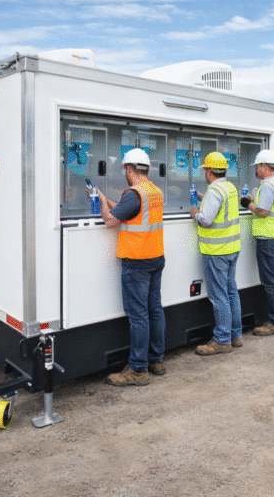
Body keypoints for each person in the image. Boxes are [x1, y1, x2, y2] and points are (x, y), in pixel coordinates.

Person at [94, 148, 166, 387]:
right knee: (154, 310)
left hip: (137, 262)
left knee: (138, 316)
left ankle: (137, 369)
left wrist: (102, 201)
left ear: (128, 169)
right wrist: (111, 202)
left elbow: (110, 221)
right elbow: (130, 213)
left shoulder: (134, 193)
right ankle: (156, 360)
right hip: (155, 257)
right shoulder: (154, 191)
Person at [189, 152, 243, 355]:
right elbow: (223, 207)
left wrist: (195, 212)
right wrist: (204, 198)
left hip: (216, 250)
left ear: (209, 171)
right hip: (231, 248)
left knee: (218, 295)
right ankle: (235, 335)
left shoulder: (214, 190)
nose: (204, 173)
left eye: (205, 170)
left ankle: (221, 340)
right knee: (231, 292)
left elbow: (206, 220)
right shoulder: (228, 187)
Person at [241, 149, 274, 335]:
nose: (255, 169)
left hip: (268, 239)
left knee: (270, 282)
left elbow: (263, 212)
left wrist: (247, 204)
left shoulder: (269, 185)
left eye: (256, 166)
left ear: (264, 166)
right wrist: (255, 200)